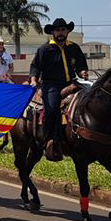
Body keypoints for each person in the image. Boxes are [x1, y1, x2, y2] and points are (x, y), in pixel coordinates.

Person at [29, 18, 89, 161]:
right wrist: (33, 79)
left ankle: (84, 137)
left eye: (63, 30)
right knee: (51, 109)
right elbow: (35, 67)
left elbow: (81, 65)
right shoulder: (44, 49)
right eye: (57, 30)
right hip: (51, 85)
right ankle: (50, 140)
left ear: (67, 31)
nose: (60, 33)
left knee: (89, 100)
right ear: (53, 32)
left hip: (72, 83)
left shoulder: (74, 48)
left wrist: (83, 73)